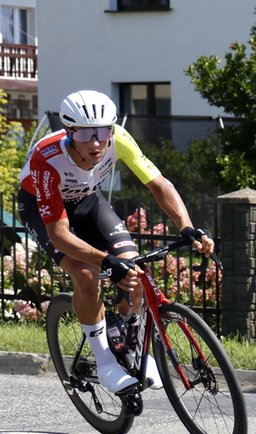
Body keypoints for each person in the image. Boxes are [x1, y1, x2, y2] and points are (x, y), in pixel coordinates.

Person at [18, 89, 215, 393]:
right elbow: (59, 233)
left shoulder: (119, 138)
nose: (96, 142)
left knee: (133, 267)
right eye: (85, 133)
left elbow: (158, 184)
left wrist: (186, 226)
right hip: (43, 208)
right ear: (70, 133)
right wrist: (105, 262)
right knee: (85, 274)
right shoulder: (48, 158)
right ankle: (105, 361)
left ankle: (131, 346)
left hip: (87, 200)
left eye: (102, 131)